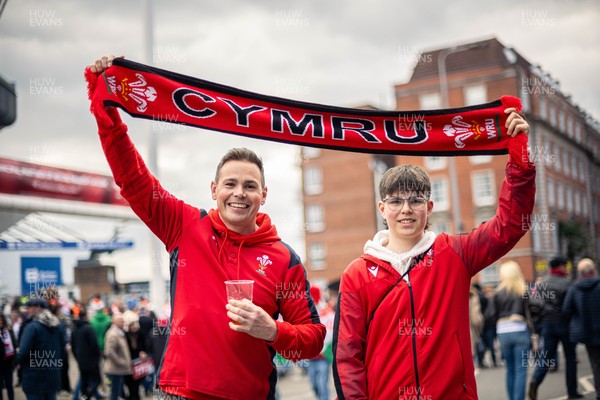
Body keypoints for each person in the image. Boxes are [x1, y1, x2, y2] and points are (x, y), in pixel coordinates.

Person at [87, 56, 325, 400]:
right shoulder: (185, 225)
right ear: (214, 190)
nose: (239, 193)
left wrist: (273, 330)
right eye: (230, 183)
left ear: (263, 195)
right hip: (181, 392)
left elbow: (312, 340)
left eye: (250, 185)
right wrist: (106, 110)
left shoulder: (283, 258)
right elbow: (132, 179)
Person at [332, 109, 534, 399]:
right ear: (382, 209)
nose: (406, 210)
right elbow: (347, 357)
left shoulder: (456, 252)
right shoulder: (357, 274)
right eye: (396, 201)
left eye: (416, 201)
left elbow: (511, 224)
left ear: (428, 208)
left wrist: (519, 156)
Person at [528, 256, 582, 400]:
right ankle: (572, 392)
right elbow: (572, 306)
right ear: (560, 267)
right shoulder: (567, 283)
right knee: (570, 357)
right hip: (565, 324)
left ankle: (535, 381)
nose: (566, 268)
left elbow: (534, 305)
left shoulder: (541, 284)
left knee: (546, 357)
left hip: (547, 325)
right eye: (565, 265)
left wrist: (540, 322)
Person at [489, 261, 534, 400]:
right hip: (520, 330)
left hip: (503, 333)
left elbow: (490, 315)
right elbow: (534, 310)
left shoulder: (497, 293)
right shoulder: (523, 290)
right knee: (521, 369)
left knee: (510, 370)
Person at [563, 258, 600, 400]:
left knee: (596, 365)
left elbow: (566, 311)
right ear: (593, 271)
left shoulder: (574, 288)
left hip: (588, 333)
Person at [16, 298, 65, 400]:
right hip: (53, 377)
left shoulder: (32, 327)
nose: (27, 310)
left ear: (38, 308)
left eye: (29, 307)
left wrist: (18, 362)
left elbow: (23, 353)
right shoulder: (58, 326)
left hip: (34, 379)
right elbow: (62, 352)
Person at [306, 287, 335, 400]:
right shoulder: (306, 312)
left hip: (323, 356)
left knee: (322, 384)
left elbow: (331, 330)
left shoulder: (327, 312)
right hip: (310, 356)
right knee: (314, 385)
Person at [71, 309, 101, 400]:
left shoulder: (74, 330)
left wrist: (77, 358)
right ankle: (88, 395)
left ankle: (86, 395)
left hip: (81, 360)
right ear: (86, 317)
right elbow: (94, 345)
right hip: (91, 361)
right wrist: (97, 357)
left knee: (84, 381)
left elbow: (73, 347)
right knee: (96, 380)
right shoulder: (89, 328)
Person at [103, 314, 131, 400]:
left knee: (117, 393)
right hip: (115, 370)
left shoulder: (119, 332)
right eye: (121, 321)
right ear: (114, 322)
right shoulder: (113, 334)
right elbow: (109, 352)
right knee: (114, 393)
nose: (123, 322)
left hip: (119, 370)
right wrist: (121, 362)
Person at [123, 310, 148, 400]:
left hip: (138, 366)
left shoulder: (140, 333)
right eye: (132, 324)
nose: (135, 326)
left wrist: (143, 351)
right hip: (128, 366)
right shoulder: (124, 335)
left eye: (135, 324)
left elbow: (145, 345)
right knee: (131, 388)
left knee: (136, 388)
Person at [0, 314, 17, 400]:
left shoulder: (9, 331)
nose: (0, 322)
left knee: (9, 384)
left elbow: (14, 345)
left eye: (1, 320)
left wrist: (16, 360)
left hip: (8, 362)